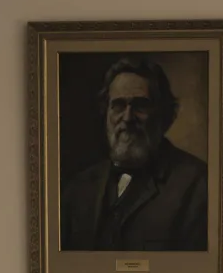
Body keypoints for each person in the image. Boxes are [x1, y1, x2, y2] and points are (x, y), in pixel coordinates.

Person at [60, 57, 209, 252]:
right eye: (118, 106)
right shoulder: (77, 189)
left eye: (140, 106)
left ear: (165, 115)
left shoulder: (199, 186)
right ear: (106, 115)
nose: (128, 118)